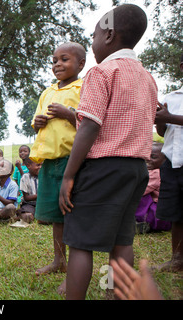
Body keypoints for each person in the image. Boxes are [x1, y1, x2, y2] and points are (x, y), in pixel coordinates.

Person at [58, 4, 158, 300]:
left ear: (110, 35)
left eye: (94, 35)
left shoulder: (102, 72)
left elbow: (89, 126)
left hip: (103, 167)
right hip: (136, 170)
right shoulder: (147, 77)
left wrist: (68, 176)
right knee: (122, 241)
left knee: (80, 243)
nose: (92, 43)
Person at [30, 41, 86, 288]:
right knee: (56, 216)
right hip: (50, 161)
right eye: (54, 60)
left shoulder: (83, 87)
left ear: (81, 64)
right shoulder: (47, 91)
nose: (58, 65)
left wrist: (69, 113)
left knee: (71, 213)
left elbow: (89, 121)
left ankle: (73, 271)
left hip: (72, 159)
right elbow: (36, 122)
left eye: (64, 59)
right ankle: (58, 261)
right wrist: (38, 122)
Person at [153, 53, 183, 273]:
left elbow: (171, 119)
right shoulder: (171, 97)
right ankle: (177, 259)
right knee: (176, 214)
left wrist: (169, 117)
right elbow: (163, 132)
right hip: (173, 163)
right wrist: (160, 119)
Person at [135, 142, 170, 233]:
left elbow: (140, 190)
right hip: (164, 216)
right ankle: (141, 225)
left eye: (153, 157)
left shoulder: (156, 173)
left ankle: (139, 221)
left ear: (166, 160)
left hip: (158, 216)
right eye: (146, 155)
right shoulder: (163, 172)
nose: (148, 159)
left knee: (137, 196)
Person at [17, 158, 41, 223]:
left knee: (48, 218)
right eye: (38, 165)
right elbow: (26, 198)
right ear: (28, 166)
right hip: (29, 203)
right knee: (28, 217)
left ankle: (38, 215)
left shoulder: (44, 176)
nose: (40, 167)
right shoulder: (25, 178)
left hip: (42, 203)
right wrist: (41, 195)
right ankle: (19, 215)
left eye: (42, 165)